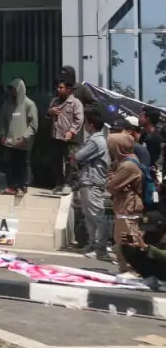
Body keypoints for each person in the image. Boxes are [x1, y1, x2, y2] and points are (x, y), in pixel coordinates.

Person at [75, 108, 112, 261]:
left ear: (91, 125)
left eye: (85, 123)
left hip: (92, 182)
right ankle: (92, 245)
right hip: (89, 181)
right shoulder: (97, 139)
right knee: (89, 216)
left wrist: (75, 156)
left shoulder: (95, 141)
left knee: (98, 217)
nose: (84, 126)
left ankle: (101, 250)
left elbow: (79, 156)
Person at [108, 130, 145, 276]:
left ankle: (131, 269)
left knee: (128, 238)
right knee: (122, 238)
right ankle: (124, 268)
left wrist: (111, 177)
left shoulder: (128, 166)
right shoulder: (125, 161)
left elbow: (111, 186)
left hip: (129, 207)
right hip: (125, 206)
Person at [0, 78, 38, 196]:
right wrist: (2, 134)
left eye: (14, 90)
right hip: (9, 142)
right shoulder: (7, 105)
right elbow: (2, 121)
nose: (12, 92)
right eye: (10, 90)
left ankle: (22, 186)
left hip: (23, 142)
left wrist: (25, 137)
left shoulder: (29, 104)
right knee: (9, 164)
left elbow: (33, 124)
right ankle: (11, 186)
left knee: (22, 164)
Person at [48, 79, 85, 194]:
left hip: (70, 139)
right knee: (56, 161)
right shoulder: (55, 101)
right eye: (58, 87)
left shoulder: (75, 103)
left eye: (61, 88)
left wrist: (71, 131)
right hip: (56, 137)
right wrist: (50, 112)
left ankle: (68, 184)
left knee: (70, 162)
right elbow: (47, 115)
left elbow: (79, 120)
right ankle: (59, 184)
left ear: (68, 89)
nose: (58, 89)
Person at [120, 211, 166, 286]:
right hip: (156, 272)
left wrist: (146, 247)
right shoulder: (149, 237)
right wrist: (127, 245)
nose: (148, 232)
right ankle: (151, 278)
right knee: (133, 251)